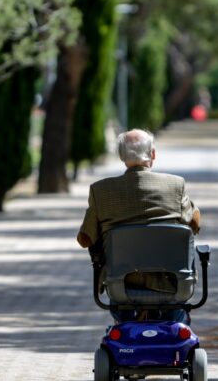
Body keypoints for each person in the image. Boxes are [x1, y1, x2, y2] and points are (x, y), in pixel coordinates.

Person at [77, 129, 201, 323]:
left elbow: (85, 239)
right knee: (176, 311)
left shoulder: (101, 191)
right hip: (171, 285)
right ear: (152, 154)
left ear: (121, 156)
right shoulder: (175, 185)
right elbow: (194, 224)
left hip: (123, 288)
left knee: (121, 308)